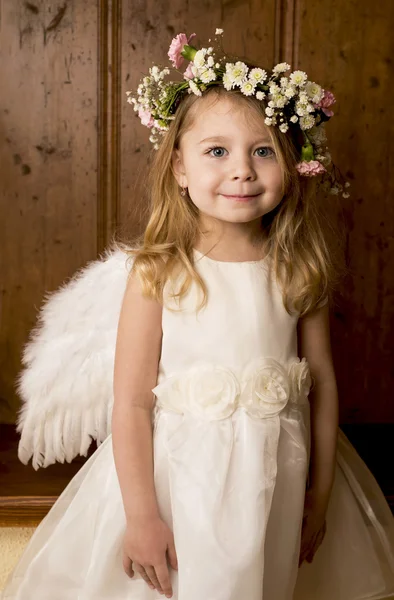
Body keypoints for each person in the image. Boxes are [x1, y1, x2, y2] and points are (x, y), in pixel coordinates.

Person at [2, 28, 394, 600]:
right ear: (180, 169)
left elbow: (322, 382)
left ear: (291, 163)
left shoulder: (299, 267)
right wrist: (142, 518)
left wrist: (321, 494)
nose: (242, 170)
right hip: (183, 486)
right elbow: (132, 401)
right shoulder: (158, 272)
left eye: (263, 151)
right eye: (217, 151)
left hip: (279, 477)